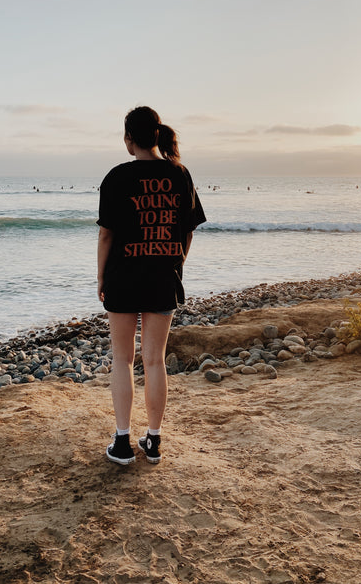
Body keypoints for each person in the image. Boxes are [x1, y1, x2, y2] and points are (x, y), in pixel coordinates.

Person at [97, 106, 206, 465]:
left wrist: (100, 278)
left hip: (122, 278)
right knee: (155, 361)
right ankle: (154, 441)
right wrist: (177, 264)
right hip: (163, 276)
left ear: (129, 140)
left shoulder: (116, 177)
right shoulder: (181, 174)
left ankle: (123, 442)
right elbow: (188, 232)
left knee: (124, 359)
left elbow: (106, 236)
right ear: (157, 135)